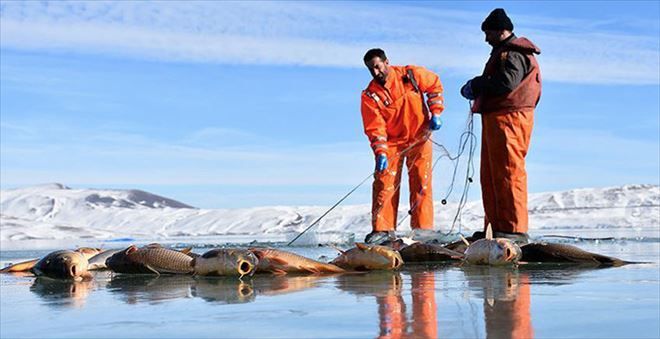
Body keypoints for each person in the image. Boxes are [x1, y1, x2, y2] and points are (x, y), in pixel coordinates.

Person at [460, 8, 541, 244]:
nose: (486, 39)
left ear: (502, 31)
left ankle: (514, 229)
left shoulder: (513, 53)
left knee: (508, 171)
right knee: (492, 175)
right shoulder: (504, 51)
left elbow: (507, 83)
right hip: (497, 119)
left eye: (489, 33)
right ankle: (495, 227)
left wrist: (476, 84)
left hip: (510, 119)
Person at [360, 48, 444, 244]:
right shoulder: (370, 96)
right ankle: (383, 230)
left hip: (419, 137)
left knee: (421, 182)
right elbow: (375, 127)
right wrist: (380, 152)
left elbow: (434, 85)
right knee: (384, 183)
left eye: (377, 67)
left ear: (386, 62)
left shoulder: (411, 75)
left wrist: (436, 112)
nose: (375, 72)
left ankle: (423, 230)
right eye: (371, 69)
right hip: (391, 144)